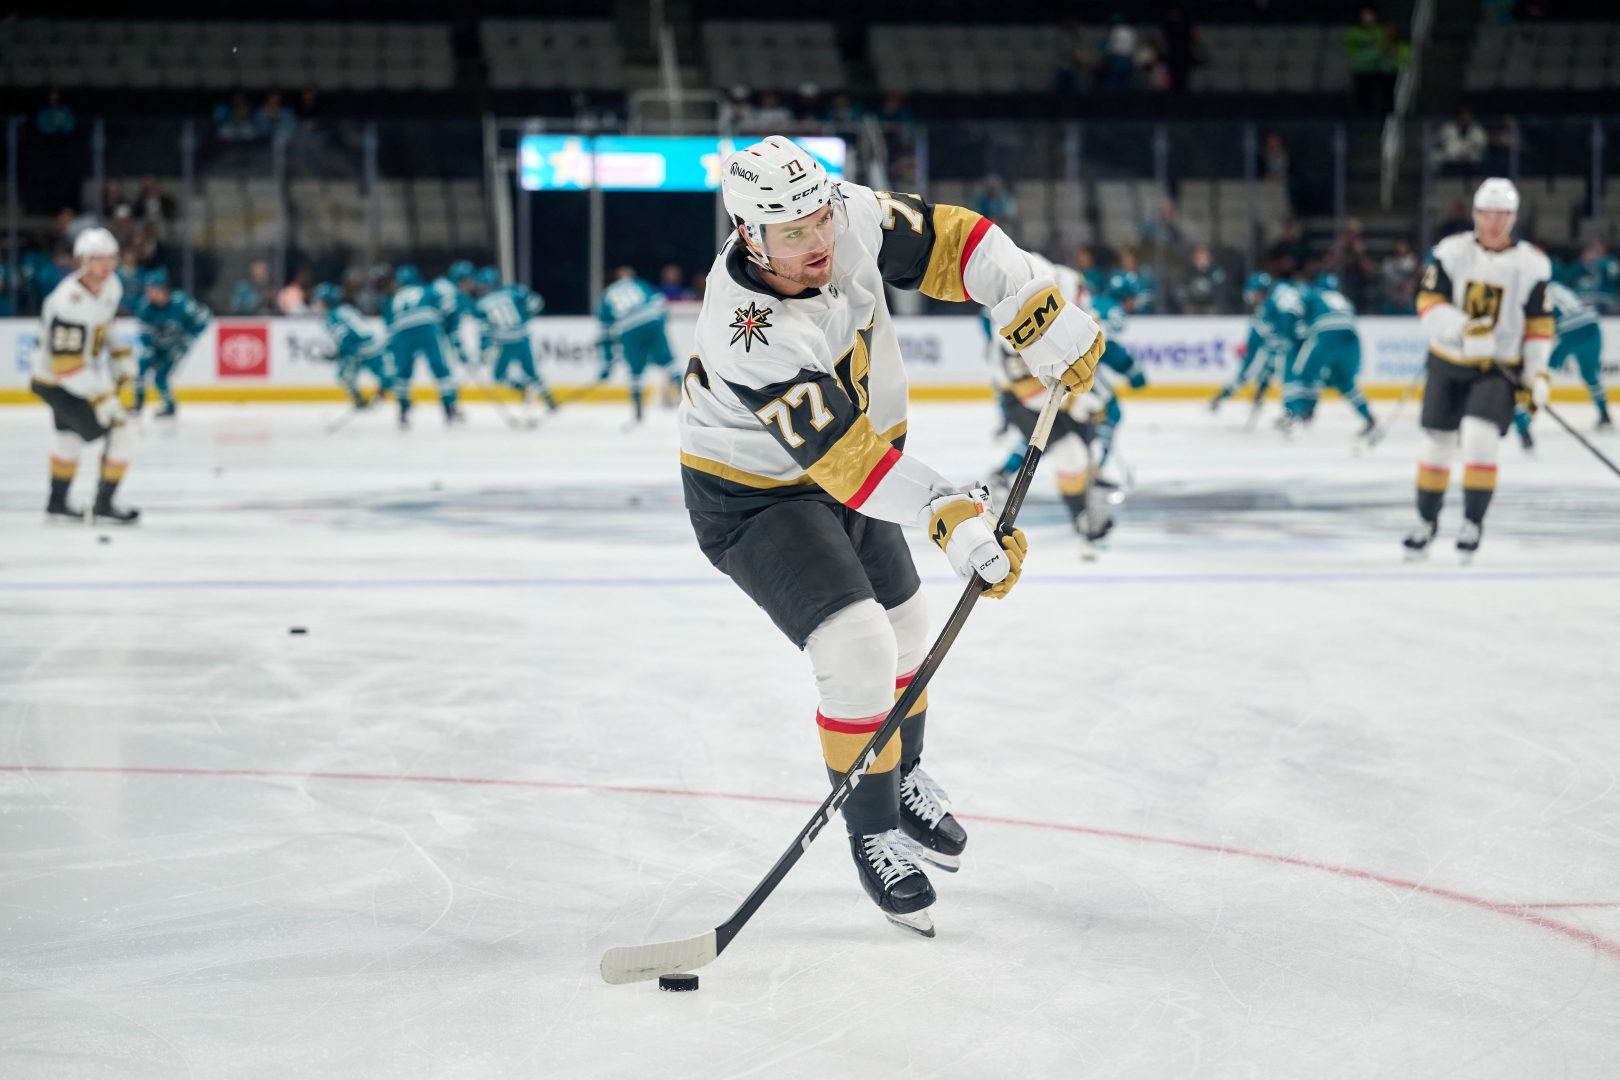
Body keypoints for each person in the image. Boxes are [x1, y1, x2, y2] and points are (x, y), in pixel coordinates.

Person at [679, 136, 1101, 935]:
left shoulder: (848, 214)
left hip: (857, 466)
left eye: (818, 221)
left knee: (908, 629)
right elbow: (846, 465)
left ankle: (898, 775)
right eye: (793, 234)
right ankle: (871, 829)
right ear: (748, 236)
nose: (818, 243)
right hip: (755, 496)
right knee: (858, 650)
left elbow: (958, 240)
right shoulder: (748, 329)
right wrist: (947, 512)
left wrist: (1031, 305)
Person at [1406, 178, 1553, 561]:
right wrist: (1462, 328)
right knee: (1436, 444)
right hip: (1447, 361)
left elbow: (1539, 326)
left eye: (1501, 214)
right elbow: (1428, 303)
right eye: (1487, 213)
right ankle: (1425, 521)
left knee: (1479, 437)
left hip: (1497, 368)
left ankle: (1472, 521)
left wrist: (1537, 372)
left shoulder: (1533, 266)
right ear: (1475, 215)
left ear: (1513, 217)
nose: (1493, 222)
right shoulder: (1452, 253)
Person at [981, 258, 1112, 558]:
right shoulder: (1011, 323)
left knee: (1081, 453)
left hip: (1054, 392)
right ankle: (1081, 517)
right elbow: (1024, 388)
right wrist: (1078, 402)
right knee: (1071, 453)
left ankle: (1083, 514)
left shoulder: (1056, 289)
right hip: (1024, 400)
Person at [28, 227, 140, 524]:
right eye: (98, 259)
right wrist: (103, 396)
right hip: (58, 381)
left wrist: (120, 355)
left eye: (110, 258)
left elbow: (105, 325)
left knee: (69, 439)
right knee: (121, 432)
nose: (106, 265)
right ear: (82, 261)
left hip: (69, 377)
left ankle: (57, 503)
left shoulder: (111, 285)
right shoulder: (69, 302)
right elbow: (66, 367)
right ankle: (104, 504)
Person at [1511, 281, 1610, 447]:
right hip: (1593, 327)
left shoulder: (1532, 289)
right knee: (1590, 373)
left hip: (1570, 331)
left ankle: (1524, 420)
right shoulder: (1556, 285)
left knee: (1543, 374)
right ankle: (1604, 414)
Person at [1279, 272, 1376, 439]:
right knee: (1345, 382)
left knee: (1303, 373)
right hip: (1351, 339)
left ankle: (1301, 413)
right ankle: (1368, 417)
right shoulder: (1344, 300)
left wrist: (1294, 333)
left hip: (1325, 335)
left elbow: (1298, 313)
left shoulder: (1314, 295)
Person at [597, 266, 677, 425]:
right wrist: (659, 325)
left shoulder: (607, 294)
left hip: (628, 329)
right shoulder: (640, 283)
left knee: (635, 370)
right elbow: (660, 302)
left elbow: (605, 331)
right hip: (652, 320)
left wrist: (607, 362)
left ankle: (638, 411)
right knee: (668, 361)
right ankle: (689, 397)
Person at [384, 265, 461, 428]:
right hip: (426, 328)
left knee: (403, 373)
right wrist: (449, 327)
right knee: (439, 368)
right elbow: (449, 307)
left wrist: (392, 348)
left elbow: (389, 324)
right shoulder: (428, 289)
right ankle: (449, 408)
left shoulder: (394, 298)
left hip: (402, 332)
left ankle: (403, 411)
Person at [474, 266, 556, 418]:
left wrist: (483, 352)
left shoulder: (480, 304)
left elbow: (484, 332)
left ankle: (519, 386)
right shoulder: (513, 292)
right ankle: (549, 399)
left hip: (504, 342)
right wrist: (525, 316)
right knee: (531, 372)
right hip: (522, 338)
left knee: (499, 376)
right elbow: (536, 303)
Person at [129, 268, 210, 419]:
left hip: (176, 346)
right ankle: (138, 403)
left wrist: (188, 338)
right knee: (141, 368)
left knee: (161, 376)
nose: (149, 294)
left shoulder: (181, 303)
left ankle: (169, 406)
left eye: (153, 290)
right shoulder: (145, 307)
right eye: (148, 290)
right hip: (155, 346)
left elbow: (204, 318)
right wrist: (148, 347)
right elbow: (144, 333)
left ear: (163, 289)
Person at [316, 282, 389, 410]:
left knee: (344, 376)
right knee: (383, 374)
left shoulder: (331, 316)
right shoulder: (346, 308)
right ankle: (383, 390)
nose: (318, 303)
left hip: (358, 349)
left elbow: (346, 337)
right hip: (372, 344)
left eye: (320, 300)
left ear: (326, 301)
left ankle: (359, 401)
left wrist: (339, 353)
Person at [1211, 273, 1276, 412]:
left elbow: (1264, 336)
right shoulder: (1266, 307)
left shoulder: (1268, 308)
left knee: (1248, 374)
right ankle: (1257, 396)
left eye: (1254, 291)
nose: (1250, 295)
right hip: (1262, 350)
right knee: (1263, 372)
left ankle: (1222, 397)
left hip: (1262, 351)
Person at [1436, 108, 1488, 177]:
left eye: (1467, 115)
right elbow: (1441, 143)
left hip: (1471, 162)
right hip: (1450, 160)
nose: (1464, 117)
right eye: (1462, 114)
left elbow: (1480, 146)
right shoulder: (1448, 127)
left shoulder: (1477, 129)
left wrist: (1466, 154)